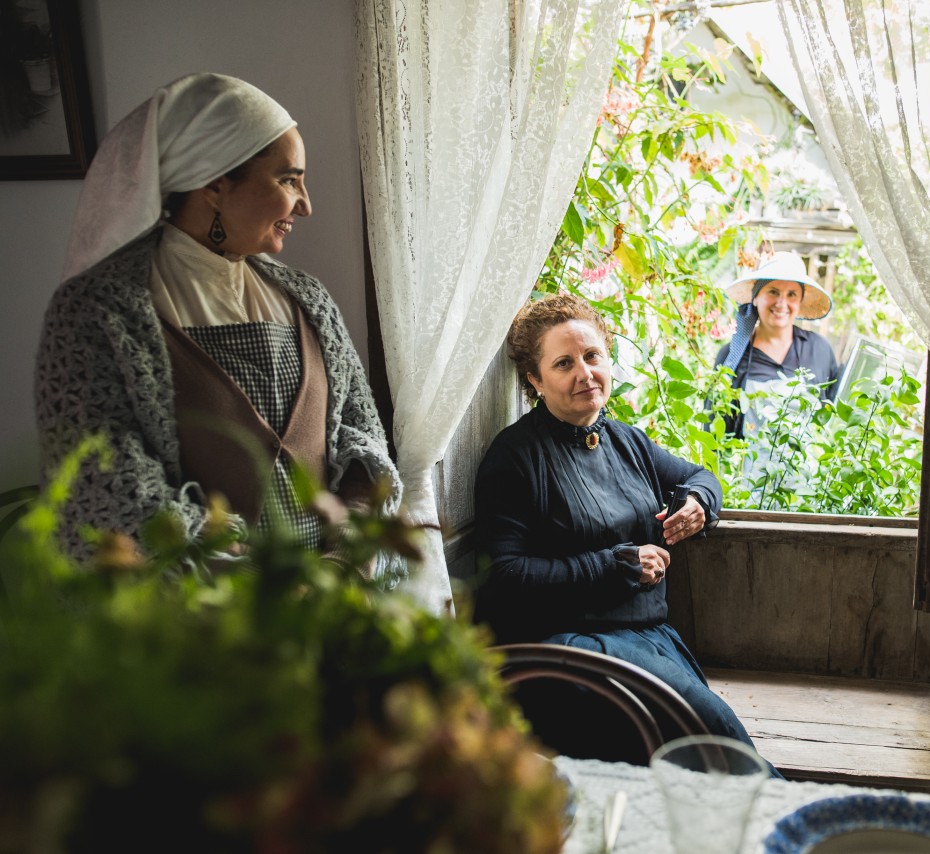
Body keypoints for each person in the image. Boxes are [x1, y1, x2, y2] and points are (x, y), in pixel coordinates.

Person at [34, 73, 403, 583]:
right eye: (288, 179)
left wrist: (343, 563)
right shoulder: (98, 313)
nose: (305, 203)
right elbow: (113, 495)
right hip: (198, 637)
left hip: (330, 616)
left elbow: (362, 440)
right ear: (214, 184)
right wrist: (264, 589)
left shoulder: (307, 299)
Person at [474, 293, 778, 772]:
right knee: (719, 748)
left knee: (717, 748)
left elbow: (701, 476)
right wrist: (614, 564)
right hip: (569, 652)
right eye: (563, 363)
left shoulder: (625, 440)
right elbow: (503, 577)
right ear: (535, 380)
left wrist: (697, 504)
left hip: (647, 638)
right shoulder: (514, 457)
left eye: (592, 356)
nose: (584, 373)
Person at [713, 251, 840, 440]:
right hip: (745, 467)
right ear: (756, 297)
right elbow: (714, 426)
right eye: (773, 292)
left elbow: (834, 418)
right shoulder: (732, 356)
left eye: (792, 294)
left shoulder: (818, 350)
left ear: (800, 301)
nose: (782, 303)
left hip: (807, 468)